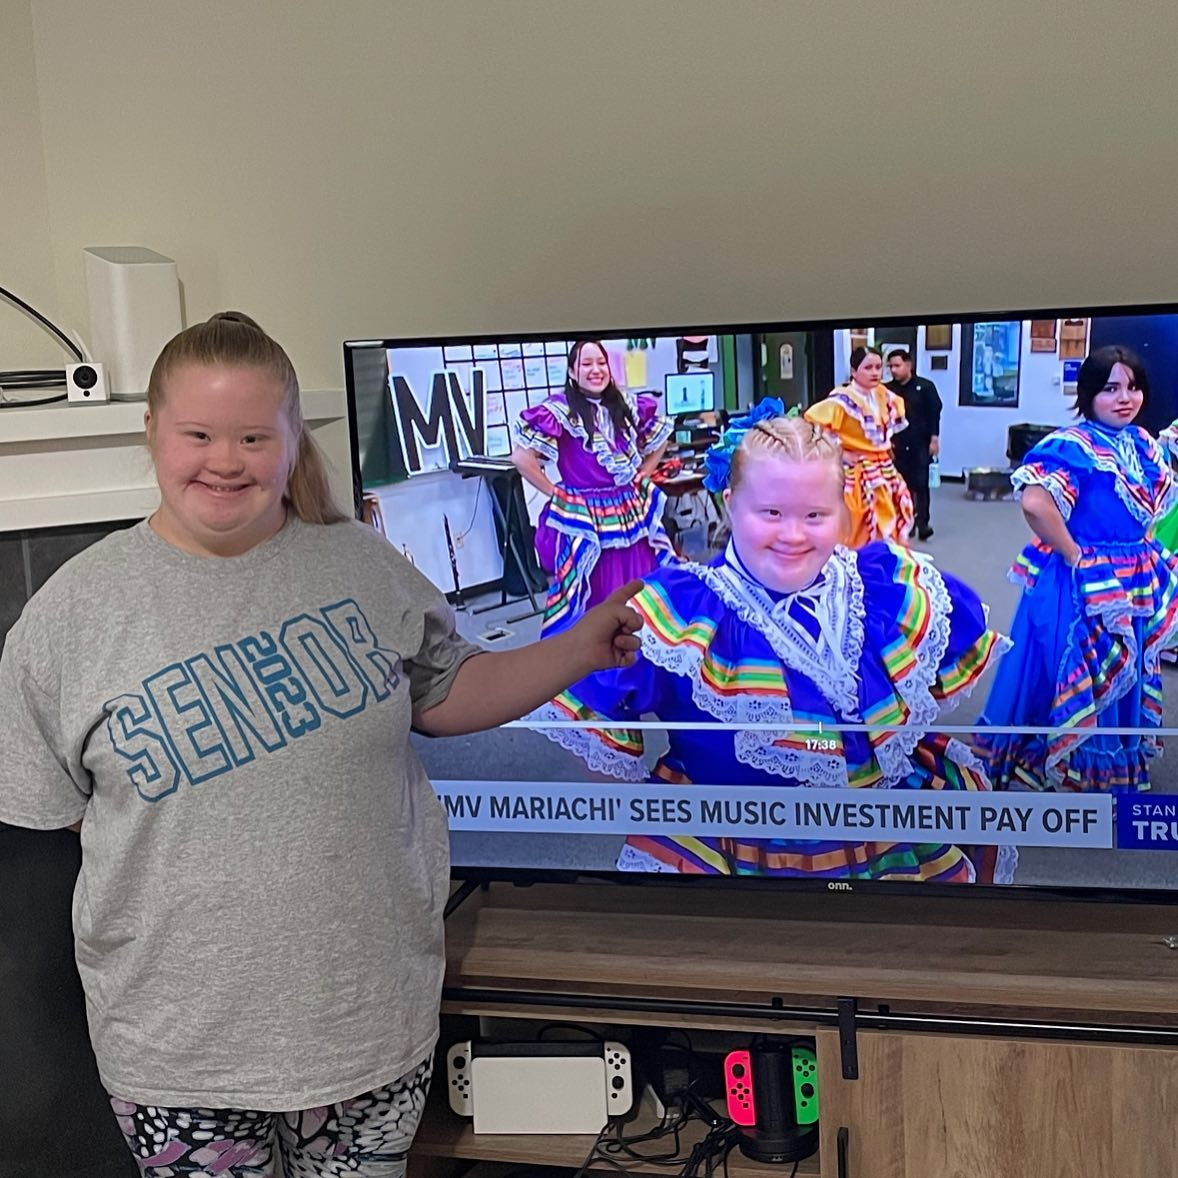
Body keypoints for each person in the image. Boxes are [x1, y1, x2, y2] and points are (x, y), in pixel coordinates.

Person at [0, 313, 644, 1178]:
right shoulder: (73, 614)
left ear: (292, 437)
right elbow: (54, 818)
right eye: (197, 433)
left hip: (367, 1029)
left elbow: (447, 692)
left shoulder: (361, 566)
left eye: (253, 436)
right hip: (180, 1055)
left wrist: (577, 647)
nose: (225, 461)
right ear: (151, 429)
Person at [528, 401, 1013, 883]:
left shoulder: (885, 587)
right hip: (733, 850)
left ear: (842, 510)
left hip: (884, 840)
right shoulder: (679, 612)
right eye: (771, 512)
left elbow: (934, 676)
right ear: (730, 502)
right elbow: (595, 712)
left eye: (816, 514)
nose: (793, 534)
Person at [977, 345, 1178, 793]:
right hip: (1085, 579)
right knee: (1084, 667)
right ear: (1088, 395)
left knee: (1126, 662)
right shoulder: (1073, 444)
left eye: (1133, 387)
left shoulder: (1140, 442)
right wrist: (1074, 554)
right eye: (1110, 389)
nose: (1125, 398)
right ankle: (1074, 767)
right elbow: (1034, 502)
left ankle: (1113, 761)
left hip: (1133, 575)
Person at [512, 339, 677, 637]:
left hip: (629, 510)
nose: (595, 370)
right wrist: (554, 492)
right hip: (586, 517)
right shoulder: (560, 409)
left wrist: (643, 473)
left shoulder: (624, 404)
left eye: (601, 363)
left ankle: (642, 657)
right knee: (597, 591)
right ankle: (598, 666)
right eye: (586, 364)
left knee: (641, 583)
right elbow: (522, 458)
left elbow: (661, 437)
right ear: (572, 372)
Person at [804, 347, 915, 546]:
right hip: (857, 470)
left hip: (883, 467)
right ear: (854, 371)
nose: (875, 373)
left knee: (895, 507)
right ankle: (857, 559)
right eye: (868, 368)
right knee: (858, 515)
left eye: (878, 367)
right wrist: (840, 452)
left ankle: (884, 557)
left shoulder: (883, 395)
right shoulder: (842, 399)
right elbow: (813, 424)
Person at [886, 348, 943, 540]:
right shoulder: (887, 390)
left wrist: (934, 438)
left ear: (908, 365)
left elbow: (934, 413)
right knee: (902, 484)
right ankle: (906, 522)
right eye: (891, 366)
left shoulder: (925, 387)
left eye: (897, 365)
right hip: (897, 444)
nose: (893, 370)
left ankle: (923, 523)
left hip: (920, 442)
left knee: (921, 483)